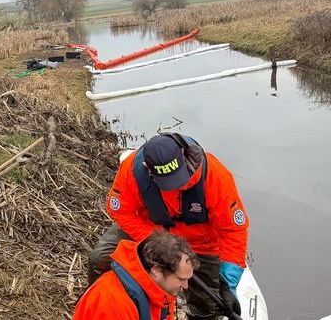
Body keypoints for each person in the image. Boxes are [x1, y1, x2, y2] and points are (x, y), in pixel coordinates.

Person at [88, 133, 248, 319]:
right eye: (167, 183)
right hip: (150, 231)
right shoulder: (132, 170)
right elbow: (121, 211)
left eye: (178, 179)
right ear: (149, 170)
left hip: (201, 243)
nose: (174, 188)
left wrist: (228, 283)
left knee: (209, 304)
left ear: (183, 155)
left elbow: (234, 231)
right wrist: (157, 242)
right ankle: (102, 306)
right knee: (99, 258)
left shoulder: (215, 176)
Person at [74, 231, 198, 320]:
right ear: (157, 269)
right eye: (182, 279)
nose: (186, 286)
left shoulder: (160, 290)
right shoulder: (112, 302)